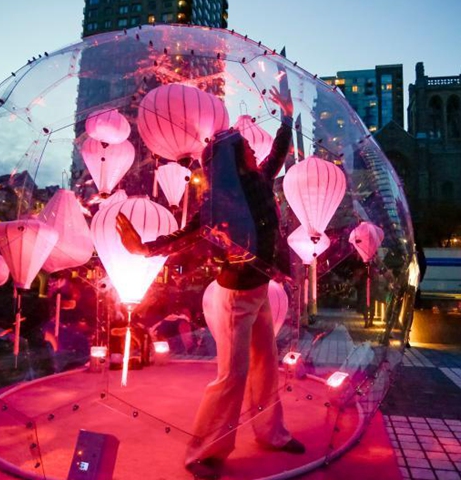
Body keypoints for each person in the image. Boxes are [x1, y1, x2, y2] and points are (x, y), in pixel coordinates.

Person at [117, 86, 304, 480]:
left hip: (258, 291)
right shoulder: (218, 203)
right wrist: (141, 249)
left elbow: (278, 153)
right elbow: (186, 235)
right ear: (233, 161)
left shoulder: (258, 181)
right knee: (232, 375)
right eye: (247, 151)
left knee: (265, 365)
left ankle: (272, 432)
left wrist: (287, 116)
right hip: (235, 295)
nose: (255, 153)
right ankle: (202, 452)